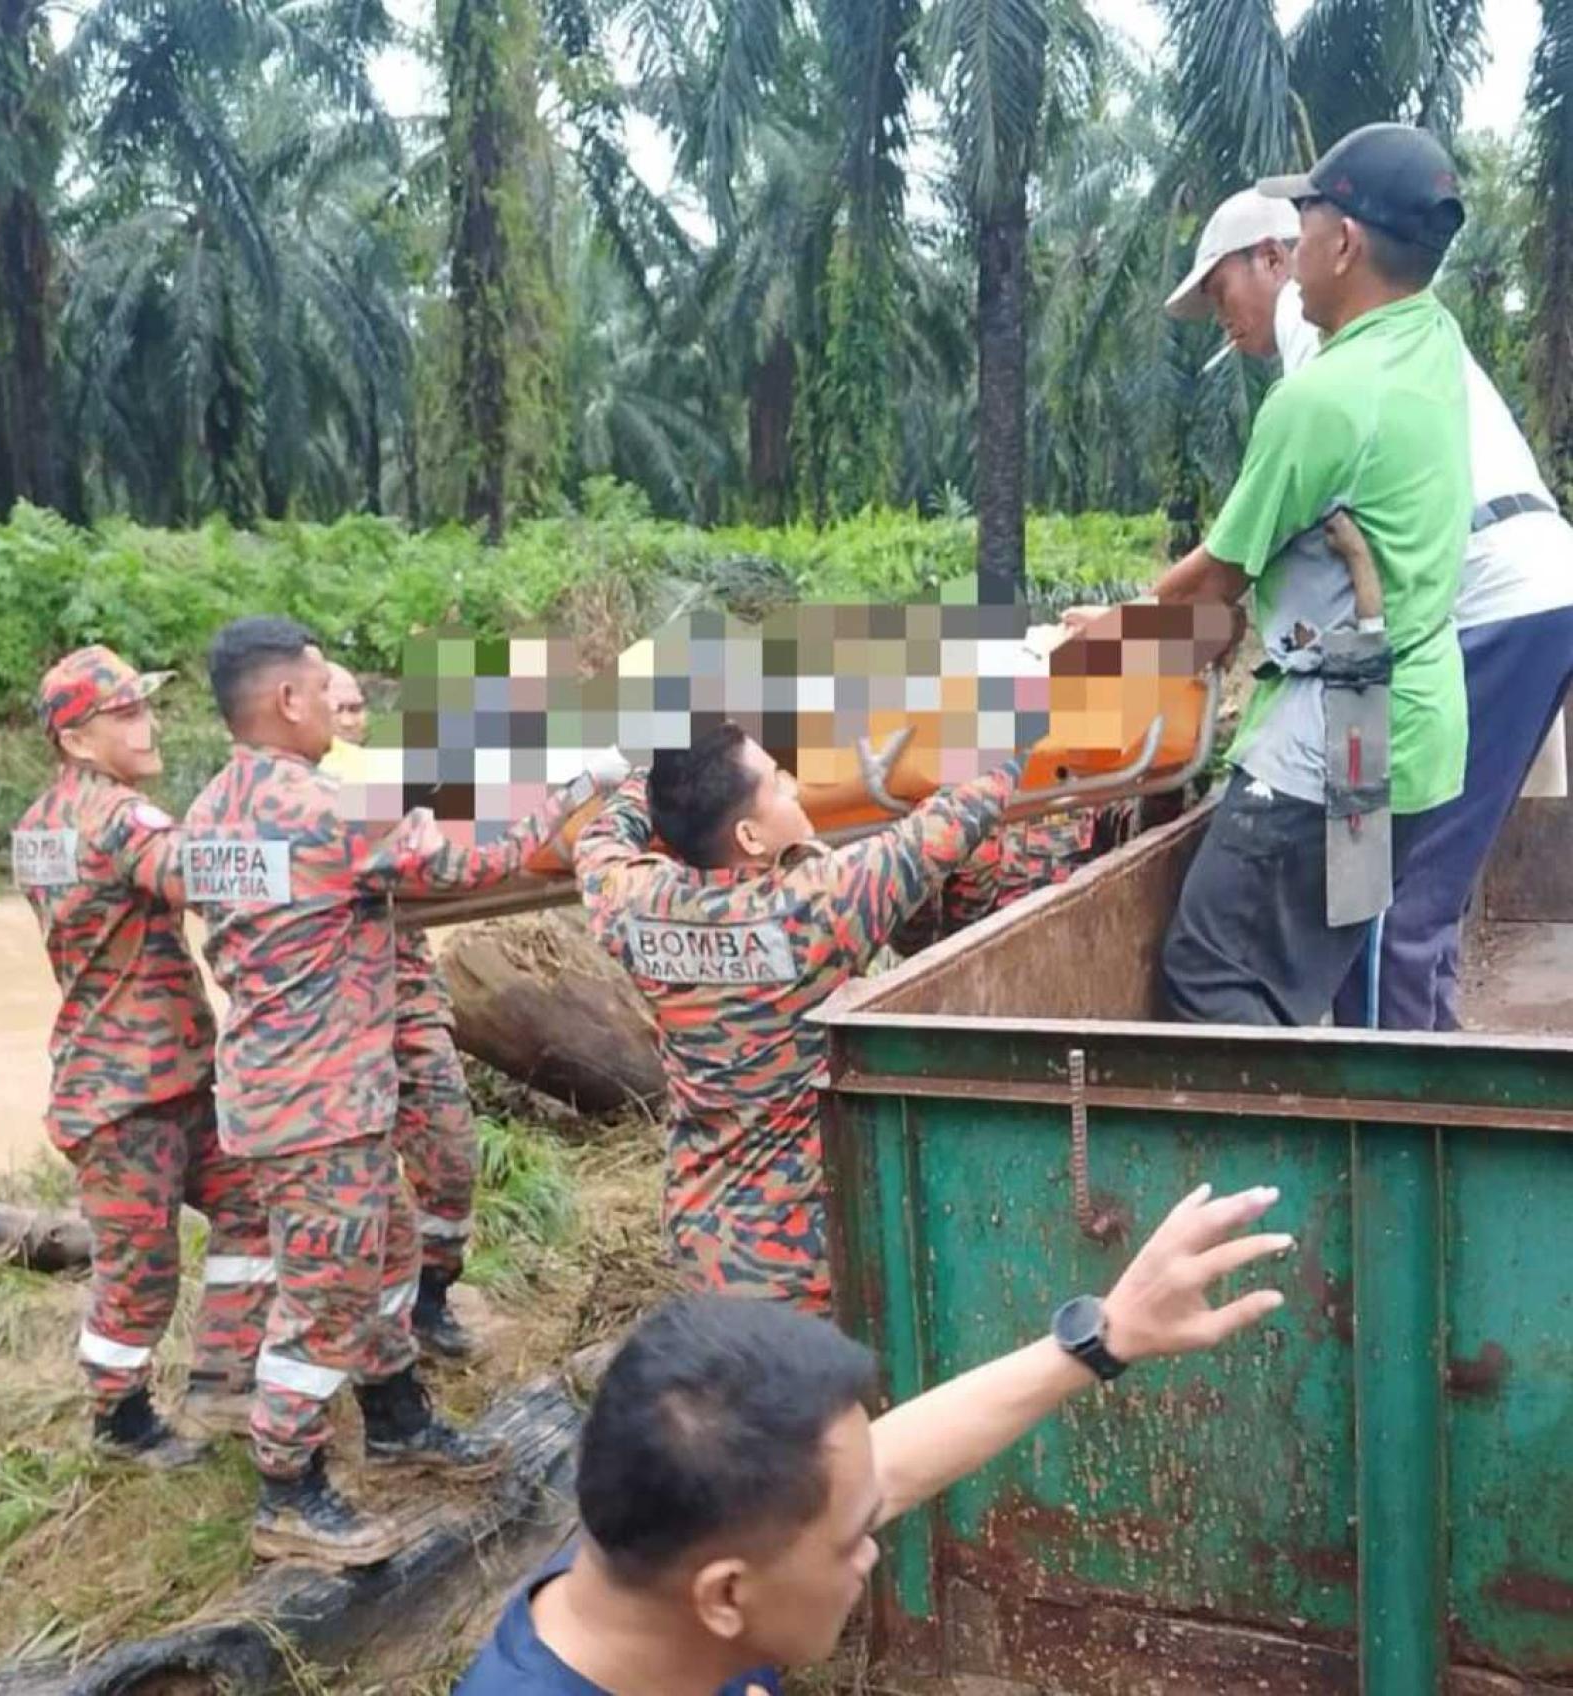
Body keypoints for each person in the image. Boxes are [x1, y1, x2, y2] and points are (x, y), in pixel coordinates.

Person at [454, 1180, 1292, 1695]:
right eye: (852, 1539)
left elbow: (885, 1465)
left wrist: (1105, 1336)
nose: (873, 1553)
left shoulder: (635, 1575)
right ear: (724, 1598)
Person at [184, 616, 626, 1567]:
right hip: (318, 1105)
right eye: (323, 693)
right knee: (324, 1299)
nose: (341, 719)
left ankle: (397, 1420)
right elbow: (476, 859)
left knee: (382, 1249)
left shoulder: (214, 809)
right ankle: (288, 1490)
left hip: (284, 1087)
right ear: (288, 701)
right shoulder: (319, 807)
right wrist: (582, 783)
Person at [1090, 123, 1474, 1026]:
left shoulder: (1324, 400)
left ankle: (1274, 1171)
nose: (1293, 249)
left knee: (1214, 973)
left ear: (1343, 244)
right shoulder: (1430, 340)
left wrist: (1099, 639)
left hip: (1334, 744)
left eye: (1305, 225)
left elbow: (1217, 580)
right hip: (1398, 735)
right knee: (1303, 969)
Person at [1167, 182, 1573, 1032]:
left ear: (1283, 256)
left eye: (1220, 287)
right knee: (1409, 899)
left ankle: (1411, 1129)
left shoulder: (1330, 353)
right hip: (1522, 590)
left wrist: (1122, 637)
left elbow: (1234, 570)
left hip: (1469, 613)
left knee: (1388, 912)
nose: (1222, 315)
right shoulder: (1421, 331)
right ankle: (1418, 1093)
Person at [575, 725, 1020, 1314]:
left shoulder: (633, 902)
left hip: (705, 1232)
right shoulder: (816, 909)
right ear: (750, 836)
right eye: (778, 785)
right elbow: (959, 812)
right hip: (802, 1253)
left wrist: (657, 778)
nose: (793, 786)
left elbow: (599, 838)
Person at [11, 645, 273, 1469]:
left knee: (251, 1205)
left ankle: (224, 1379)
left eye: (144, 707)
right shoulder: (122, 818)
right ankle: (119, 1423)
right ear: (76, 740)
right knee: (139, 1267)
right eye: (124, 714)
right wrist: (306, 844)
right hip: (131, 1096)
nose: (147, 725)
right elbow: (208, 876)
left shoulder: (37, 827)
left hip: (161, 1081)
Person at [321, 660, 482, 1359]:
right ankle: (366, 1340)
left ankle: (432, 1298)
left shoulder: (378, 781)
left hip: (407, 1000)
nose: (352, 722)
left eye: (359, 708)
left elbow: (452, 840)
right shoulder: (296, 796)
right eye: (340, 709)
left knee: (450, 1155)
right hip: (329, 1019)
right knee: (358, 1194)